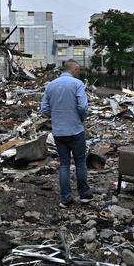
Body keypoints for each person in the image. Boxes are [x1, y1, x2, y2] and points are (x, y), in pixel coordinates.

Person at [41, 60, 93, 208]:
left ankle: (65, 198)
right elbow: (83, 106)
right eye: (79, 70)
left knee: (64, 164)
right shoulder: (77, 84)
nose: (79, 73)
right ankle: (84, 195)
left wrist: (56, 117)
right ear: (74, 69)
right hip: (75, 130)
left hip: (59, 132)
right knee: (80, 162)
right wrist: (81, 118)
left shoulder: (50, 85)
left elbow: (44, 109)